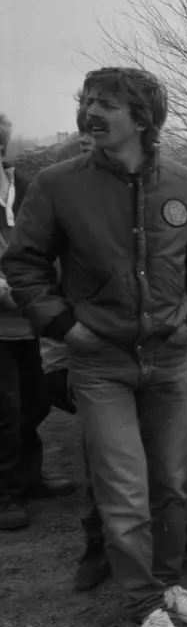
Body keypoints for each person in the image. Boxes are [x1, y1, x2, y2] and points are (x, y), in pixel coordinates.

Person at [2, 67, 187, 627]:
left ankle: (167, 583)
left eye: (106, 104)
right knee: (124, 491)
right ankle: (145, 609)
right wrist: (63, 326)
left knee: (170, 484)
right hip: (100, 366)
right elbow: (23, 264)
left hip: (169, 359)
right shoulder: (57, 185)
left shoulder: (184, 183)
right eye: (88, 102)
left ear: (143, 118)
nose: (91, 113)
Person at [1, 113, 78, 530]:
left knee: (33, 402)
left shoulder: (20, 184)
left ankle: (28, 477)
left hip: (24, 321)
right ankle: (4, 494)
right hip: (6, 314)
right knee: (5, 411)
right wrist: (12, 290)